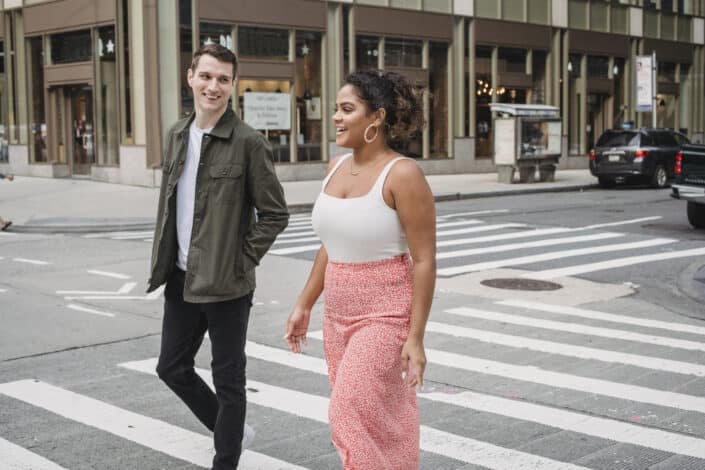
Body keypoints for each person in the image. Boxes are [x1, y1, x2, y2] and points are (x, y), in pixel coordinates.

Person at [285, 70, 436, 469]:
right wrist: (304, 303)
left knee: (346, 412)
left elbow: (424, 261)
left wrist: (416, 338)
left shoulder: (403, 174)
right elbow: (331, 244)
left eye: (347, 109)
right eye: (336, 108)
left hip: (385, 314)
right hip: (337, 316)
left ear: (377, 118)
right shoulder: (335, 167)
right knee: (375, 420)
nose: (335, 117)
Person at [147, 44, 289, 470]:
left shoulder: (248, 143)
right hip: (182, 277)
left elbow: (275, 213)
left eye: (223, 79)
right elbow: (171, 206)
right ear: (190, 77)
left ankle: (225, 459)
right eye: (206, 76)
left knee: (230, 381)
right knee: (171, 367)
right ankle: (230, 429)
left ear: (233, 86)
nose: (214, 86)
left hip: (227, 285)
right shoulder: (176, 134)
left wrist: (241, 260)